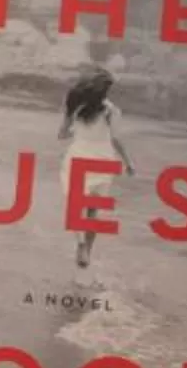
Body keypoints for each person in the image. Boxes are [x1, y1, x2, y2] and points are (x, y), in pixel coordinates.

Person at [57, 66, 133, 269]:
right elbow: (116, 139)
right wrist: (127, 162)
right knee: (92, 212)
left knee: (75, 205)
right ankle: (87, 253)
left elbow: (61, 135)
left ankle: (80, 244)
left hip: (79, 155)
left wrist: (77, 129)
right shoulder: (111, 110)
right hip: (102, 160)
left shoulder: (76, 107)